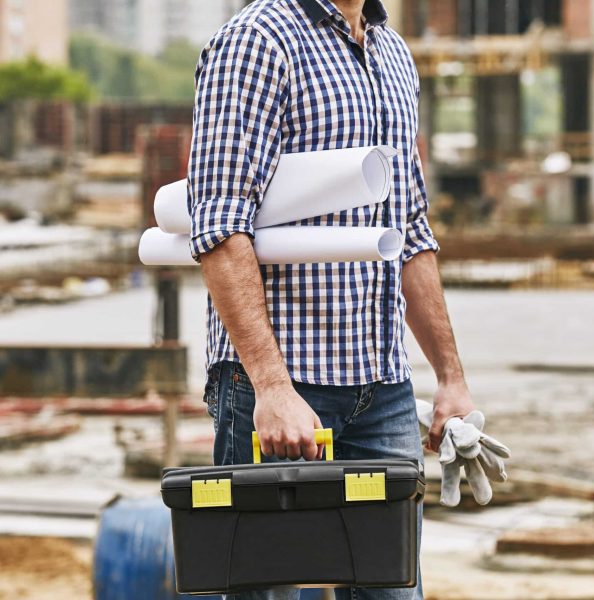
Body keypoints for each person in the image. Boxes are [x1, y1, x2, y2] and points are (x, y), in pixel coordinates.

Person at [188, 1, 475, 599]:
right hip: (280, 391)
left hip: (383, 393)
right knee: (263, 589)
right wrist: (270, 387)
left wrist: (450, 377)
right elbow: (219, 226)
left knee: (393, 590)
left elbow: (410, 229)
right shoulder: (258, 40)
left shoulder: (392, 54)